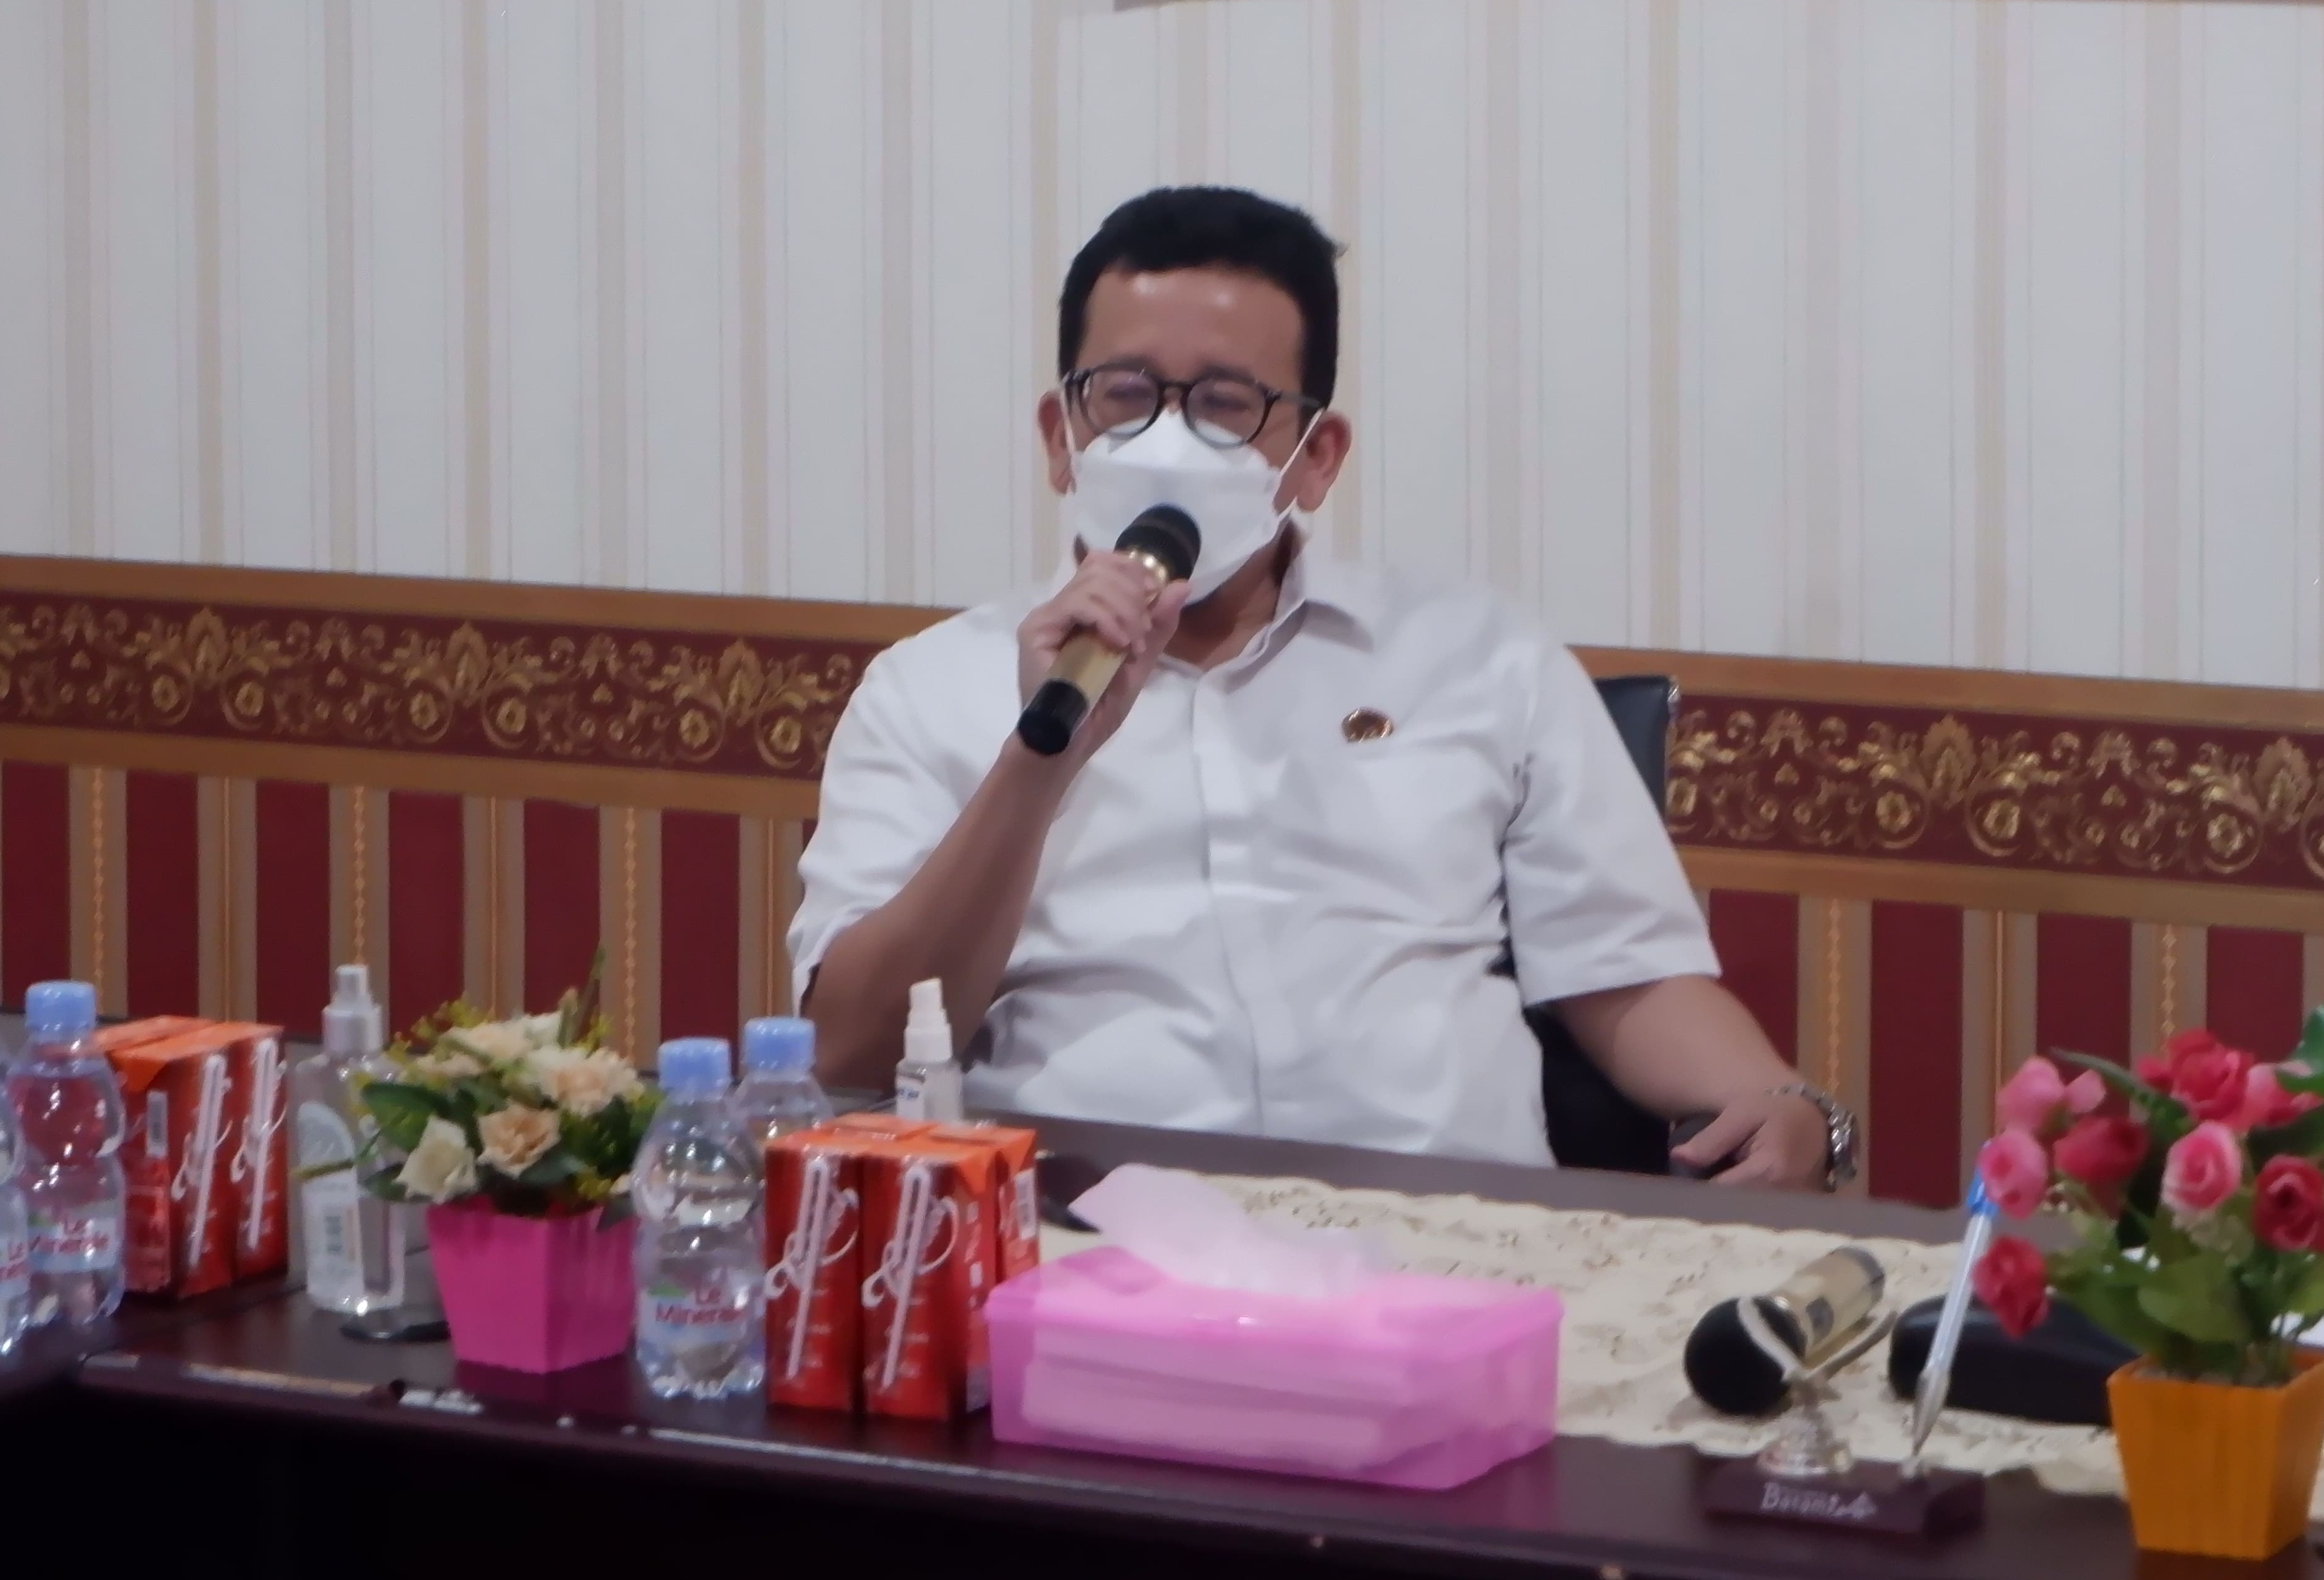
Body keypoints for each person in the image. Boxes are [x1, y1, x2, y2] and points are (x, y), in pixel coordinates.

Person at [791, 186, 1848, 1188]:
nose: (1167, 440)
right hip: (1085, 1238)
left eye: (1224, 405)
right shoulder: (926, 691)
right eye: (1125, 396)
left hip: (1447, 1236)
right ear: (1059, 438)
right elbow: (851, 1052)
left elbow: (1626, 974)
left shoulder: (1480, 659)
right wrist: (1039, 757)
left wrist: (1783, 1104)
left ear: (1315, 456)